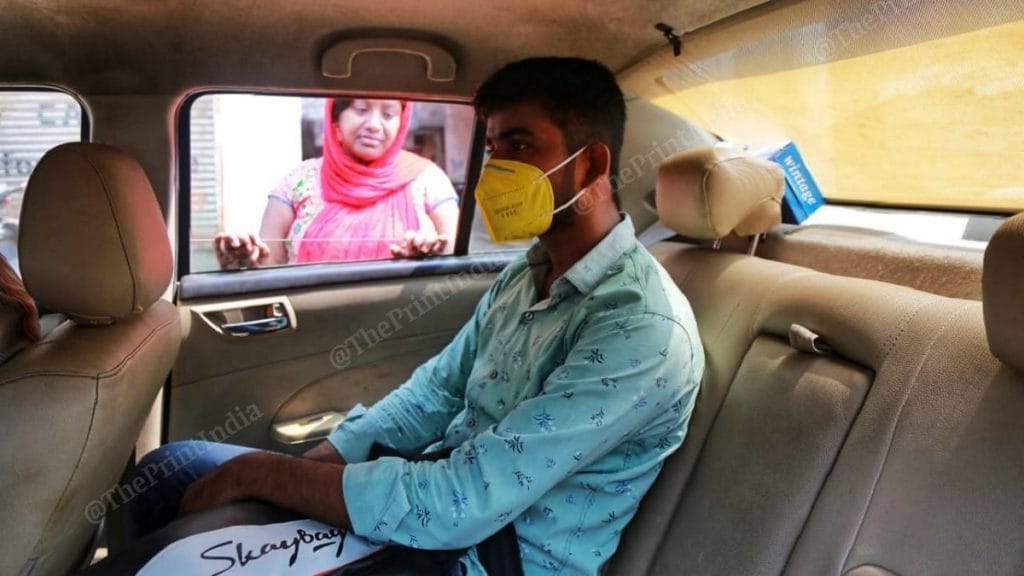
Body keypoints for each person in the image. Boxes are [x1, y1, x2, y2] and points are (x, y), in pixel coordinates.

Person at [123, 57, 704, 575]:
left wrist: (263, 478)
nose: (496, 169)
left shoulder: (641, 327)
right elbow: (433, 394)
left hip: (486, 554)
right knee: (173, 468)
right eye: (495, 148)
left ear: (592, 164)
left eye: (521, 146)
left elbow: (461, 504)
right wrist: (304, 469)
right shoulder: (525, 275)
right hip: (433, 514)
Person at [214, 98, 460, 268]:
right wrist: (244, 260)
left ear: (401, 122)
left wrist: (429, 256)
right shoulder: (299, 181)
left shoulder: (428, 178)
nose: (374, 125)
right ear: (335, 120)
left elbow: (459, 258)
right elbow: (269, 265)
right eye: (361, 110)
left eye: (388, 114)